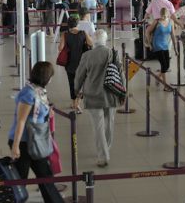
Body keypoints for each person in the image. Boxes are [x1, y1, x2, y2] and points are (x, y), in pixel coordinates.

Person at [9, 62, 64, 202]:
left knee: (45, 176)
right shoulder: (28, 94)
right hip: (23, 142)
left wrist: (47, 113)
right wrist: (15, 146)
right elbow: (21, 121)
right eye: (50, 76)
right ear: (46, 77)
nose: (51, 79)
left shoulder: (39, 90)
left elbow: (37, 112)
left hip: (36, 141)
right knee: (21, 180)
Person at [74, 30, 122, 168]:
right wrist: (122, 93)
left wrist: (77, 91)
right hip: (111, 94)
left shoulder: (87, 55)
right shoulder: (112, 53)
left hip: (93, 95)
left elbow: (79, 75)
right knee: (109, 123)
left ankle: (103, 156)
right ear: (105, 40)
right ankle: (106, 147)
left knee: (98, 126)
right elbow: (120, 73)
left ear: (94, 41)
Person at [59, 17, 92, 113]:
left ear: (68, 25)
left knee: (72, 83)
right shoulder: (83, 33)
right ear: (77, 24)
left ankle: (73, 103)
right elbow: (91, 43)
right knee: (82, 83)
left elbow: (60, 48)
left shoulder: (65, 35)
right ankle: (78, 103)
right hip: (82, 63)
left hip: (69, 64)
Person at [147, 8, 178, 90]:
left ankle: (158, 77)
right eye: (162, 15)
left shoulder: (171, 22)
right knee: (164, 65)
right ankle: (165, 85)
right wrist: (149, 44)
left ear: (168, 14)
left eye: (165, 15)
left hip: (165, 45)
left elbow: (173, 36)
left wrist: (175, 48)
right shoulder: (157, 21)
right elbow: (148, 31)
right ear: (160, 14)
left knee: (167, 66)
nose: (163, 17)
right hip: (157, 44)